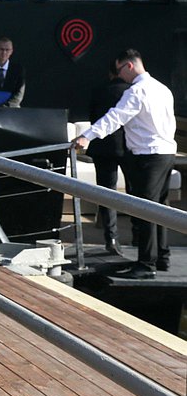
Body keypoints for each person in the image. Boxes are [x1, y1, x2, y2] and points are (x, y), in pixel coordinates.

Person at [73, 49, 177, 279]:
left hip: (148, 156)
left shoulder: (137, 91)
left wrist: (87, 136)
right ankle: (162, 258)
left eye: (120, 70)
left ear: (129, 66)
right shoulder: (162, 89)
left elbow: (115, 118)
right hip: (166, 153)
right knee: (161, 208)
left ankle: (146, 265)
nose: (119, 76)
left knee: (146, 210)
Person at [88, 67, 131, 256]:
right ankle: (139, 234)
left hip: (103, 146)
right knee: (135, 192)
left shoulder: (99, 89)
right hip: (128, 146)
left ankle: (111, 238)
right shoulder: (131, 91)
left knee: (106, 193)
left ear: (109, 74)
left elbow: (93, 118)